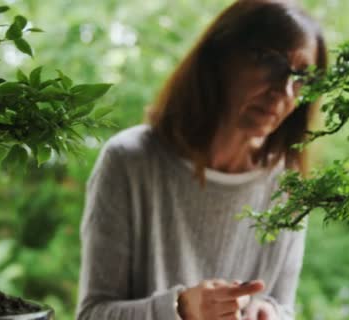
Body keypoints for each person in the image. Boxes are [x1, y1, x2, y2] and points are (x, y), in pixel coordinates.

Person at [76, 0, 328, 320]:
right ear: (220, 57)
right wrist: (180, 308)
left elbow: (282, 306)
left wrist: (269, 313)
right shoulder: (129, 161)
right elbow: (93, 314)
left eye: (302, 77)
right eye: (271, 62)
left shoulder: (288, 185)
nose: (285, 91)